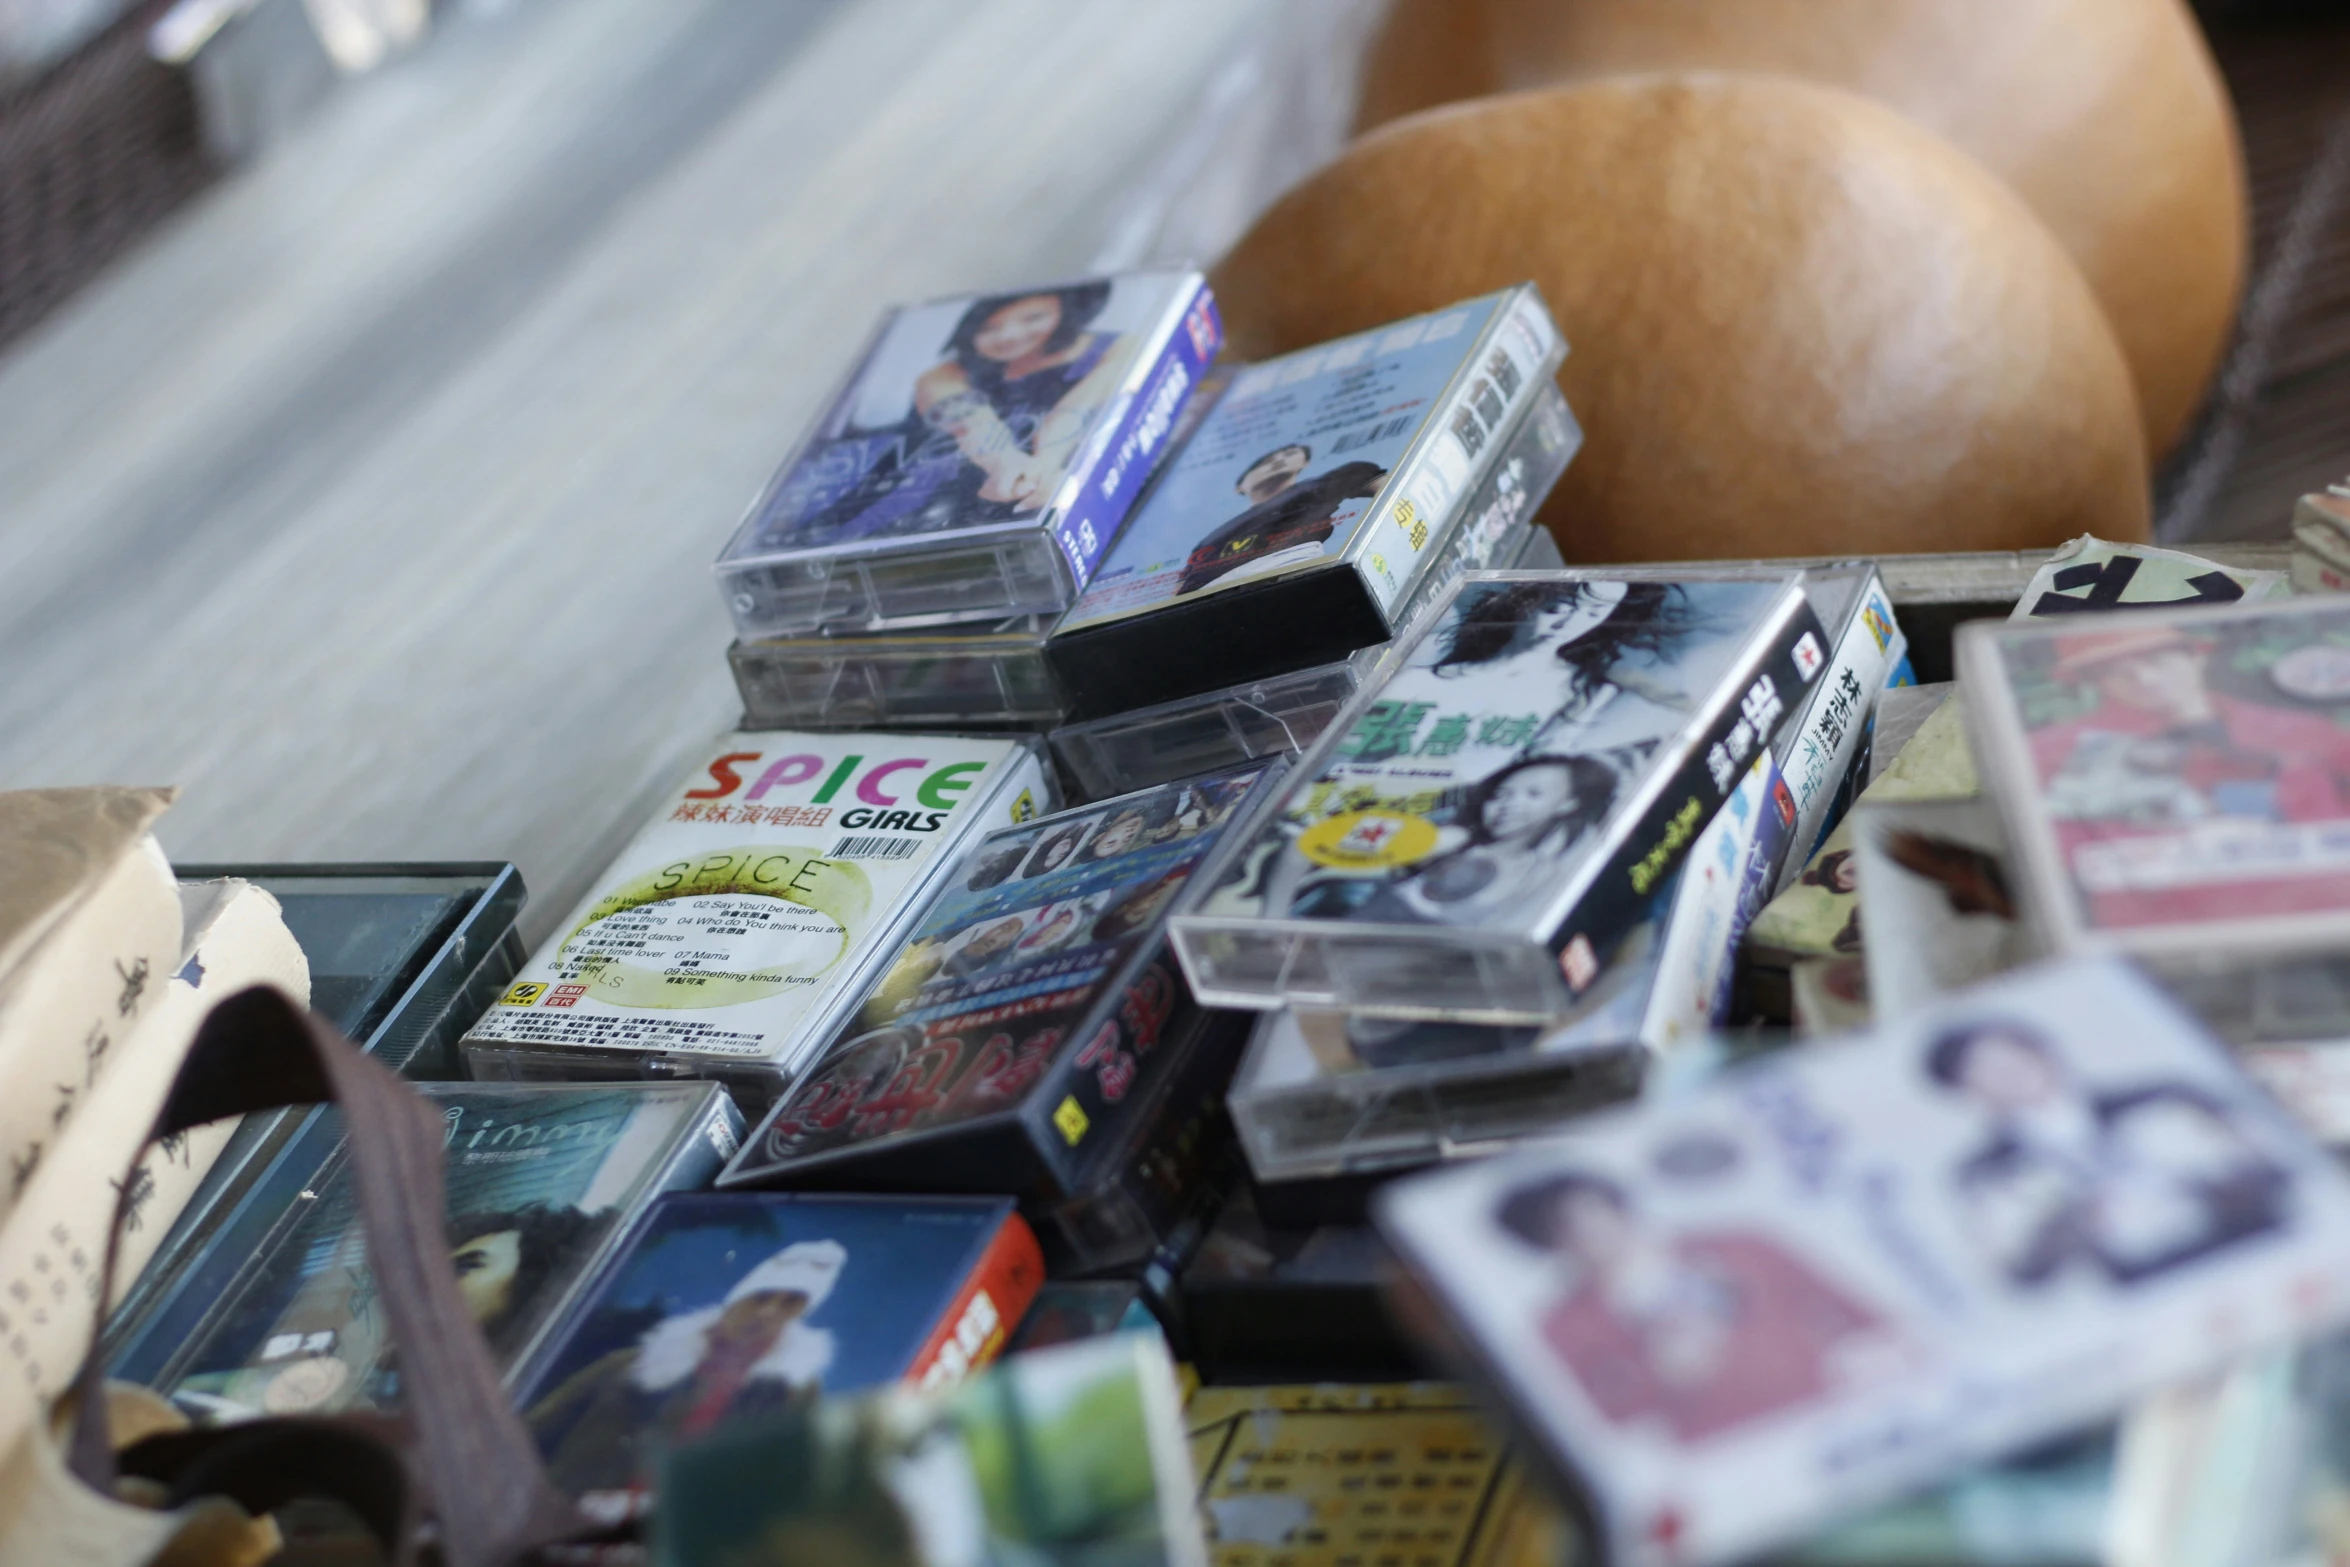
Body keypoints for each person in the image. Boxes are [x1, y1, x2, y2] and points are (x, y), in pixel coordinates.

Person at [1496, 1171, 1890, 1444]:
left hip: (1834, 1413)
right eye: (1564, 1229)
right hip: (1723, 1451)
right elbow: (1598, 1421)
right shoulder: (1564, 1326)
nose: (1589, 1233)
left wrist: (1870, 1356)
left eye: (1591, 1214)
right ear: (1547, 1245)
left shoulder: (1740, 1245)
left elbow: (1855, 1309)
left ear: (1616, 1205)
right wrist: (1659, 1379)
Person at [1925, 1019, 2288, 1289]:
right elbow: (2018, 1273)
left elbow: (2276, 1161)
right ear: (1969, 1092)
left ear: (2041, 1051)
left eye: (2011, 1058)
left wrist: (2197, 1181)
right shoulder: (1987, 1174)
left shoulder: (2162, 1095)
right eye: (1985, 1072)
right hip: (2153, 1293)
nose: (2008, 1074)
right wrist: (2072, 1225)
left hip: (2265, 1253)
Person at [780, 283, 1134, 544]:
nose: (1010, 335)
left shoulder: (1118, 347)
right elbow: (971, 423)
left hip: (1052, 477)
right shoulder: (945, 374)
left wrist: (1046, 465)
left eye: (1033, 318)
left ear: (1065, 314)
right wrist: (1008, 464)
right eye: (990, 328)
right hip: (932, 488)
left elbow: (1079, 408)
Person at [526, 1240, 846, 1497]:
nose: (766, 1312)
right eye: (760, 1296)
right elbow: (526, 1434)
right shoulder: (629, 1365)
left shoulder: (795, 1397)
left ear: (801, 1313)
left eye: (790, 1302)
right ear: (736, 1299)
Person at [2035, 624, 2350, 829]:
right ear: (2099, 684)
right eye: (2118, 672)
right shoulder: (2067, 750)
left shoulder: (2302, 729)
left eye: (2157, 661)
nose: (2146, 680)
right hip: (2159, 914)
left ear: (2197, 658)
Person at [1291, 755, 1617, 927]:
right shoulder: (1455, 839)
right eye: (1501, 794)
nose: (1508, 805)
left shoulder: (1543, 873)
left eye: (1533, 794)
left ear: (1568, 803)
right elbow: (1302, 847)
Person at [1175, 443, 1387, 595]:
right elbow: (1181, 587)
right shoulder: (1209, 538)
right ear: (1239, 487)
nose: (1278, 460)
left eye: (1289, 454)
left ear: (1304, 462)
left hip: (1290, 575)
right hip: (1209, 597)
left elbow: (1389, 490)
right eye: (1265, 462)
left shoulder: (1322, 484)